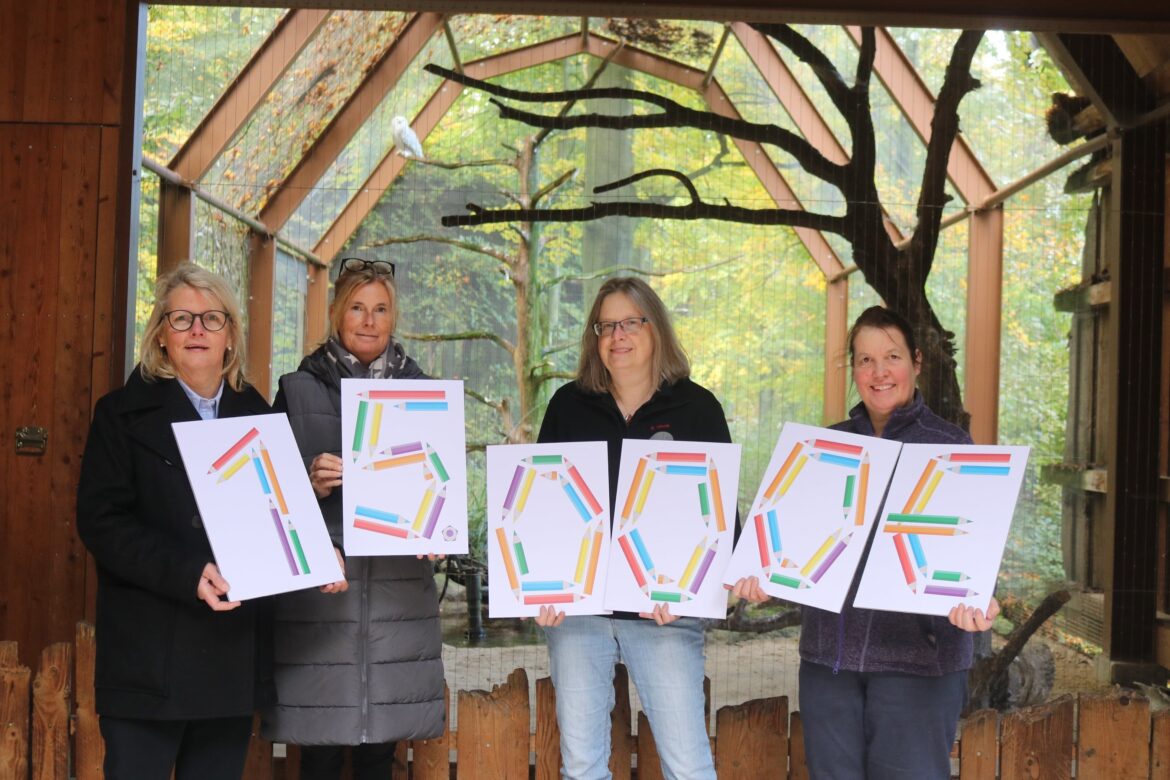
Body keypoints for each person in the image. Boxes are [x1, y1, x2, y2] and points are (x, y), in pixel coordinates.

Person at [729, 305, 1000, 780]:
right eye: (865, 360)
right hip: (830, 663)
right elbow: (796, 548)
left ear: (916, 361)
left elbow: (973, 551)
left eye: (892, 357)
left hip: (919, 666)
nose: (879, 373)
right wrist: (765, 577)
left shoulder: (951, 446)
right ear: (852, 368)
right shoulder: (825, 449)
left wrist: (978, 598)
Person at [76, 263, 273, 780]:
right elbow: (101, 522)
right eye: (182, 318)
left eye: (212, 318)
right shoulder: (119, 415)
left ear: (231, 335)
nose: (197, 330)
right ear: (161, 335)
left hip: (227, 657)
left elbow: (279, 518)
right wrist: (187, 571)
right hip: (148, 659)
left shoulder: (261, 416)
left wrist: (318, 556)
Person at [260, 257, 445, 780]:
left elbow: (440, 484)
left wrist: (438, 528)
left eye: (380, 309)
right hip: (322, 602)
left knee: (379, 753)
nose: (368, 320)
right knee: (318, 750)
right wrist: (309, 481)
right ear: (337, 314)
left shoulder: (425, 394)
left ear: (393, 317)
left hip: (396, 600)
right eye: (357, 308)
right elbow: (265, 493)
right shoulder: (297, 390)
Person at [536, 276, 727, 780]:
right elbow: (543, 506)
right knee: (582, 766)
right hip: (579, 613)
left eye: (629, 323)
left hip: (663, 613)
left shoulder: (698, 409)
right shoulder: (567, 405)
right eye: (605, 326)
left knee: (688, 766)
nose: (617, 336)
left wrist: (688, 593)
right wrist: (542, 588)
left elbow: (717, 516)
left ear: (655, 328)